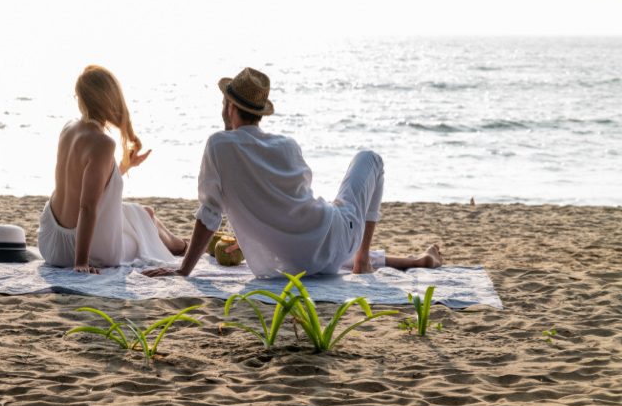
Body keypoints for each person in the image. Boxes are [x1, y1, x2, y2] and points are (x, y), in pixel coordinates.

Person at [143, 67, 442, 279]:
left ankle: (400, 260)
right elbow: (294, 203)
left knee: (326, 237)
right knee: (370, 159)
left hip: (291, 261)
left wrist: (184, 270)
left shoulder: (218, 146)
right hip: (325, 248)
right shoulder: (286, 146)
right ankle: (365, 258)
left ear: (230, 106)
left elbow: (210, 213)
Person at [38, 65, 188, 274]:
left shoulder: (68, 128)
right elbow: (87, 207)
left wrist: (125, 167)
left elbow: (86, 183)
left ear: (82, 99)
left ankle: (181, 245)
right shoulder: (102, 142)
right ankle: (182, 247)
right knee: (144, 228)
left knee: (140, 213)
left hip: (49, 240)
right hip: (78, 250)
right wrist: (81, 262)